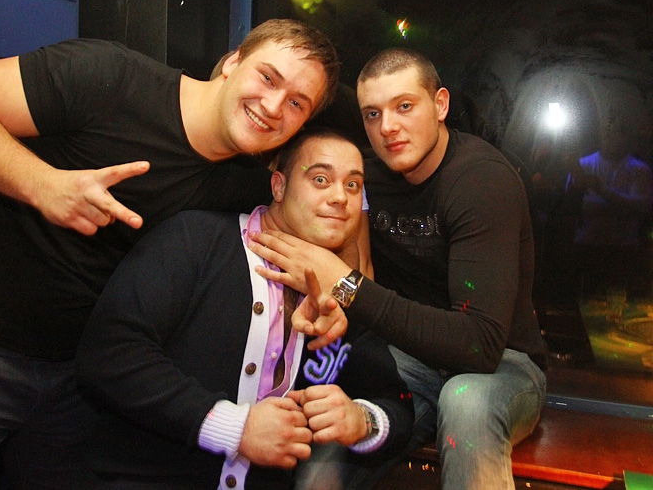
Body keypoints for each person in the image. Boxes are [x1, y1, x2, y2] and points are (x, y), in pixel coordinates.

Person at [0, 19, 339, 489]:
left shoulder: (243, 183)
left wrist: (333, 298)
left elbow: (317, 228)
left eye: (296, 103)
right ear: (233, 61)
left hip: (79, 386)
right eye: (267, 77)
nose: (273, 106)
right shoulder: (110, 77)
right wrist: (42, 184)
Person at [248, 48, 548, 489]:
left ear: (440, 105)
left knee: (465, 402)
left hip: (502, 365)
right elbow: (292, 192)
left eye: (404, 106)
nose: (387, 127)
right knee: (328, 430)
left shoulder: (481, 181)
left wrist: (346, 285)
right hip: (411, 361)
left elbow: (479, 345)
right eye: (372, 114)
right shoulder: (364, 179)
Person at [76, 129, 413, 489]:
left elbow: (398, 403)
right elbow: (108, 350)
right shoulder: (196, 239)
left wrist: (362, 421)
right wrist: (233, 427)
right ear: (279, 186)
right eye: (320, 179)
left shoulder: (344, 295)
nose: (340, 197)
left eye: (353, 185)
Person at [564, 116, 653, 300]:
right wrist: (618, 208)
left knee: (620, 301)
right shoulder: (584, 165)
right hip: (588, 246)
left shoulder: (639, 170)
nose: (611, 137)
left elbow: (640, 207)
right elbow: (575, 206)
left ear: (627, 136)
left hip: (623, 249)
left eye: (617, 132)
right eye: (608, 132)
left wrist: (601, 190)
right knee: (587, 300)